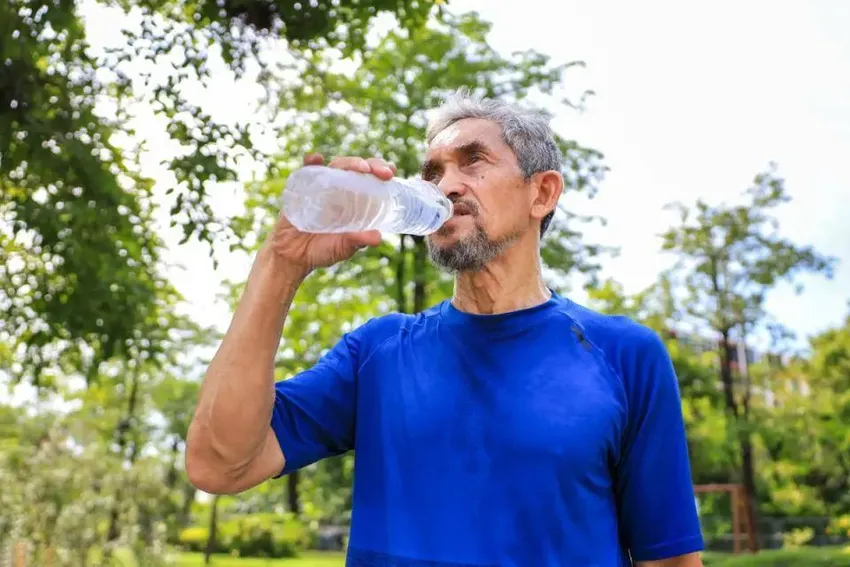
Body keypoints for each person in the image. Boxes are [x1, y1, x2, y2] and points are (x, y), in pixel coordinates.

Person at [186, 89, 705, 567]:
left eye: (473, 162)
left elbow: (670, 560)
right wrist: (281, 264)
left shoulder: (624, 355)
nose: (446, 185)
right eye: (432, 172)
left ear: (542, 193)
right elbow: (218, 464)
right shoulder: (378, 352)